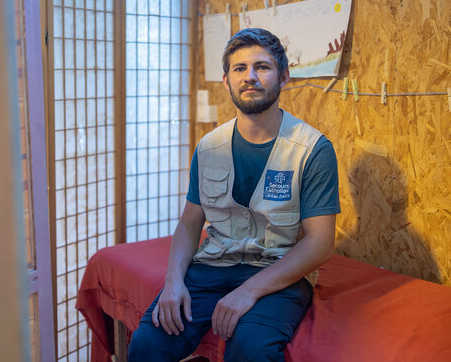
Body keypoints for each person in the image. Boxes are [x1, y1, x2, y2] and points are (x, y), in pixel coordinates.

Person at [127, 28, 340, 362]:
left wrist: (249, 291)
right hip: (212, 266)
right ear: (226, 80)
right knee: (147, 344)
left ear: (283, 76)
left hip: (279, 272)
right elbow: (188, 223)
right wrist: (173, 282)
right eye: (240, 69)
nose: (250, 77)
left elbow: (320, 242)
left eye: (262, 67)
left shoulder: (312, 149)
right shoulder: (209, 146)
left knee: (251, 349)